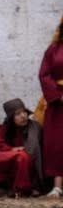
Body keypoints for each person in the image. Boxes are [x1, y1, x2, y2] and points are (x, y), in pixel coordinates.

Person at [0, 99, 43, 197]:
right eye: (18, 114)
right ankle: (2, 186)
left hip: (30, 164)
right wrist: (12, 150)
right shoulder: (4, 129)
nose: (23, 116)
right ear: (11, 118)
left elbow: (34, 150)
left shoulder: (34, 127)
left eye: (24, 112)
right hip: (11, 165)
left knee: (22, 157)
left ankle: (21, 188)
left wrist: (21, 153)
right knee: (1, 156)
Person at [33, 15, 63, 198]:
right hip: (57, 105)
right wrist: (58, 95)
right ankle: (57, 186)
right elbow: (44, 74)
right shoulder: (53, 49)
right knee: (58, 144)